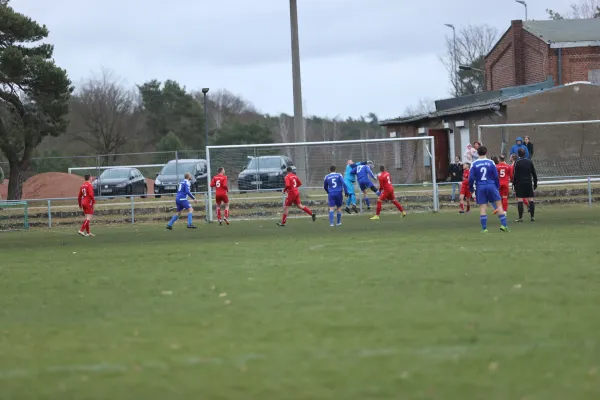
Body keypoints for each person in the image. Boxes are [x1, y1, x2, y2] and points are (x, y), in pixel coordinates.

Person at [469, 146, 510, 233]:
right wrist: (497, 186)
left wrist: (471, 188)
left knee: (483, 208)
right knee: (499, 205)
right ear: (486, 152)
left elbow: (471, 178)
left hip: (480, 186)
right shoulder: (491, 162)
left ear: (477, 153)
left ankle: (484, 229)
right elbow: (496, 176)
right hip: (491, 185)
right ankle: (504, 225)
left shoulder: (474, 163)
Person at [512, 147, 538, 222]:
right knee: (531, 199)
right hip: (528, 183)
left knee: (520, 200)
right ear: (525, 153)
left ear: (518, 154)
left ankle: (520, 218)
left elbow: (515, 175)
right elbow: (534, 173)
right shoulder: (529, 161)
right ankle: (532, 217)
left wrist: (514, 185)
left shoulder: (517, 162)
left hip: (520, 184)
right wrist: (535, 183)